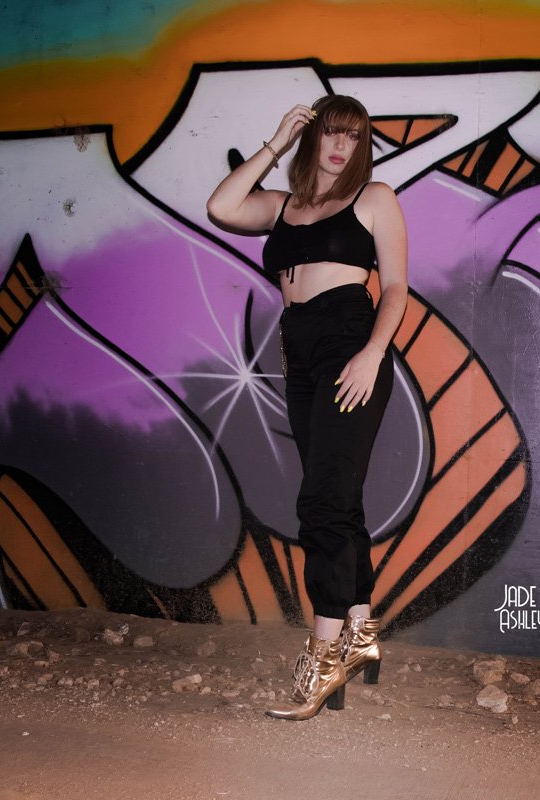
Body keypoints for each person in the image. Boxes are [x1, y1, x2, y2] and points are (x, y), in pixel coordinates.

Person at [206, 95, 408, 720]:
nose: (341, 146)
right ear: (312, 137)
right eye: (330, 133)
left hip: (352, 347)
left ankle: (322, 657)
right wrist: (273, 142)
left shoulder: (374, 197)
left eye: (353, 136)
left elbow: (396, 286)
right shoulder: (284, 207)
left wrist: (374, 354)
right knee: (338, 498)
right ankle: (359, 632)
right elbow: (221, 207)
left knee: (320, 501)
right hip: (300, 356)